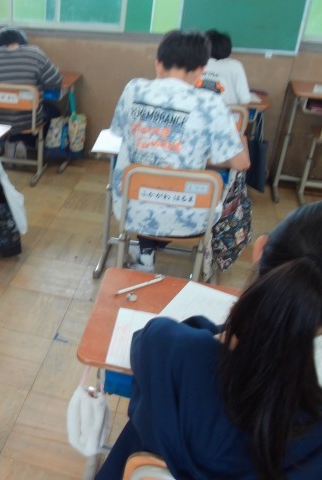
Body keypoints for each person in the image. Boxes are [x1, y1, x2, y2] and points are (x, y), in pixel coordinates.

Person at [95, 201, 322, 479]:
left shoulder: (174, 352)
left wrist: (215, 330)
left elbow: (147, 342)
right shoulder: (313, 435)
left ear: (260, 250)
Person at [109, 30, 250, 272]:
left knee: (149, 176)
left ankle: (145, 253)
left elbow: (120, 133)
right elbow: (241, 163)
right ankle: (154, 252)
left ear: (158, 64)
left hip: (131, 208)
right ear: (201, 70)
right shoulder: (210, 103)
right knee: (200, 183)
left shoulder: (134, 89)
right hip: (191, 217)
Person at [0, 27, 62, 158]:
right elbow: (56, 80)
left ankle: (11, 142)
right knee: (53, 112)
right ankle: (22, 143)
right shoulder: (35, 54)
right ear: (22, 41)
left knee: (14, 112)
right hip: (28, 120)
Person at [203, 30, 251, 105]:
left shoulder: (196, 63)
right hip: (229, 111)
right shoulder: (235, 65)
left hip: (200, 110)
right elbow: (245, 99)